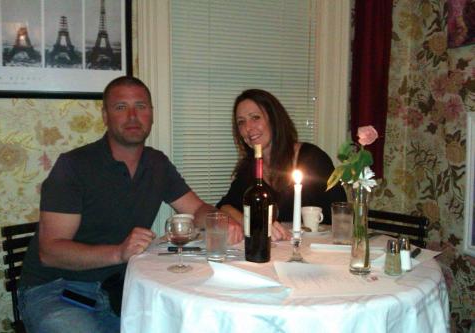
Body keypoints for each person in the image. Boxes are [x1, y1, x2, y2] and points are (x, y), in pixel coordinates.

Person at [18, 76, 243, 333]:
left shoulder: (157, 164)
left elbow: (197, 209)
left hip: (122, 286)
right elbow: (50, 252)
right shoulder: (74, 166)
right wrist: (119, 252)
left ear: (152, 114)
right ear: (105, 116)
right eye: (121, 107)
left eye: (141, 106)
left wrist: (220, 221)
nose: (133, 116)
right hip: (56, 289)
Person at [217, 89, 346, 241]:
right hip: (274, 255)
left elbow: (341, 214)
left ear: (274, 119)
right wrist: (248, 222)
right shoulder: (250, 169)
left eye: (255, 118)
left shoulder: (312, 158)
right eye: (241, 122)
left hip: (316, 253)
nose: (248, 128)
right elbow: (224, 207)